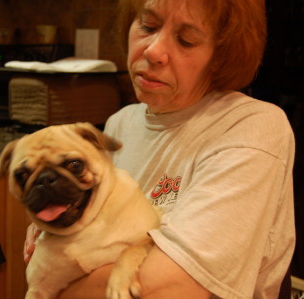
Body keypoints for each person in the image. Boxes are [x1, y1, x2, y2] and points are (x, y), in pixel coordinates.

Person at [26, 0, 296, 297]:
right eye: (148, 26)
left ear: (220, 56)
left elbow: (173, 287)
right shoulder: (120, 123)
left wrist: (47, 280)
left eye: (186, 40)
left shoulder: (250, 126)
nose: (153, 51)